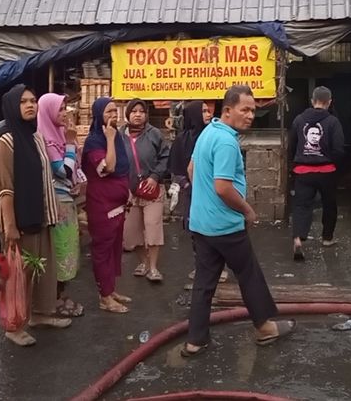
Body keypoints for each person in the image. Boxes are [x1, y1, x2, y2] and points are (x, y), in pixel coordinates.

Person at [182, 85, 296, 357]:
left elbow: (191, 169)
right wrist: (247, 210)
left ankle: (195, 341)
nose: (250, 115)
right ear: (228, 110)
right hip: (224, 226)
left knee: (204, 284)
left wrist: (203, 199)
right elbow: (223, 187)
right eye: (245, 110)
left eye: (253, 110)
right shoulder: (226, 142)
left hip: (202, 225)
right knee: (249, 274)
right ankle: (265, 327)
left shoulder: (208, 132)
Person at [0, 84, 69, 347]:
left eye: (33, 101)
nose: (30, 105)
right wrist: (10, 226)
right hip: (18, 220)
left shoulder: (36, 137)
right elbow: (4, 188)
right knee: (17, 274)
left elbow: (44, 177)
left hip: (40, 216)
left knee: (42, 269)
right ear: (12, 106)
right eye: (23, 102)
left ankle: (40, 314)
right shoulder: (6, 140)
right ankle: (13, 325)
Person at [81, 97, 133, 314]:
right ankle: (104, 297)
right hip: (102, 205)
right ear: (98, 115)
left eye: (115, 111)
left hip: (118, 202)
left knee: (114, 247)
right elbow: (109, 167)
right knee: (102, 249)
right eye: (108, 112)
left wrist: (127, 191)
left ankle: (111, 290)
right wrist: (109, 139)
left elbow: (123, 168)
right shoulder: (95, 141)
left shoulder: (118, 138)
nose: (113, 115)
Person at [168, 100, 227, 283]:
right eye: (203, 111)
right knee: (197, 232)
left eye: (208, 111)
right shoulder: (181, 141)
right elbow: (176, 169)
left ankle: (220, 268)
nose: (208, 114)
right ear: (193, 115)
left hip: (213, 192)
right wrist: (187, 184)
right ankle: (201, 266)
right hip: (192, 193)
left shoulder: (214, 137)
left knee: (217, 230)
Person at [37, 93, 84, 318]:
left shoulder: (58, 135)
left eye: (65, 108)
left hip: (68, 200)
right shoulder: (46, 139)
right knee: (59, 251)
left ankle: (61, 296)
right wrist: (70, 144)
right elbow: (62, 170)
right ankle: (53, 300)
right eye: (60, 109)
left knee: (69, 249)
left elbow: (72, 171)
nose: (65, 113)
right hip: (57, 204)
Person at [288, 86, 345, 260]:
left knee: (301, 206)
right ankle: (327, 238)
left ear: (312, 101)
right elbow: (339, 149)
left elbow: (291, 145)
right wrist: (334, 164)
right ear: (329, 102)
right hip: (326, 171)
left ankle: (298, 238)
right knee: (329, 205)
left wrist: (293, 165)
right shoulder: (333, 122)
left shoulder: (299, 120)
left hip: (303, 171)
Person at [121, 99, 169, 282]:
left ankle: (154, 268)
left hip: (152, 190)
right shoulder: (119, 136)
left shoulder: (154, 134)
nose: (138, 114)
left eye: (142, 111)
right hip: (129, 192)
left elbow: (165, 157)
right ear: (128, 115)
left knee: (153, 227)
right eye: (134, 111)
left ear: (146, 115)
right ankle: (143, 262)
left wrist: (155, 176)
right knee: (131, 233)